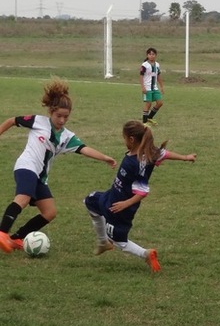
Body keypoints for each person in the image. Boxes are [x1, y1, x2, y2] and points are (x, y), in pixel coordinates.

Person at [0, 79, 117, 253]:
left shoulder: (67, 137)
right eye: (58, 116)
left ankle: (17, 237)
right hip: (26, 166)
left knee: (50, 212)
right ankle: (2, 232)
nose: (62, 120)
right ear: (51, 111)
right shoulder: (37, 121)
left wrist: (105, 157)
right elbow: (11, 121)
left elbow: (84, 149)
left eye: (66, 117)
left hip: (41, 176)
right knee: (23, 197)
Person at [84, 120, 196, 272]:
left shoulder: (135, 163)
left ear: (131, 139)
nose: (123, 141)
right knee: (90, 201)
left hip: (119, 205)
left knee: (119, 241)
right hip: (113, 195)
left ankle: (145, 254)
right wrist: (185, 157)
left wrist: (125, 204)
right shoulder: (150, 152)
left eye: (124, 138)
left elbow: (142, 191)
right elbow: (165, 153)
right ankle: (103, 242)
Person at [140, 47, 164, 125]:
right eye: (150, 54)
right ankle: (144, 122)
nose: (151, 56)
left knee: (160, 103)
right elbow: (141, 76)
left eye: (153, 54)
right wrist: (143, 87)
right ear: (147, 55)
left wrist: (161, 86)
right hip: (147, 87)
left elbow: (158, 76)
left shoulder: (157, 65)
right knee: (148, 103)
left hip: (154, 87)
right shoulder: (144, 65)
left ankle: (150, 117)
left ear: (156, 55)